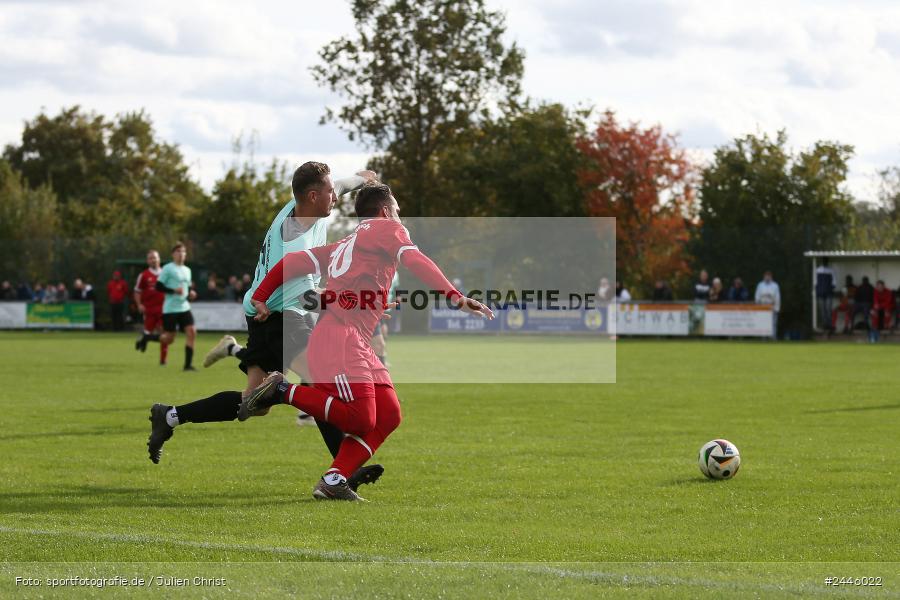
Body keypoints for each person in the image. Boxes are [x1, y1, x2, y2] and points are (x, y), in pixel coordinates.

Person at [240, 182, 494, 501]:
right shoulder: (387, 229)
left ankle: (334, 479)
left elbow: (294, 264)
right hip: (340, 338)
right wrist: (456, 297)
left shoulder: (350, 242)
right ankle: (282, 390)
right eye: (398, 211)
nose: (400, 218)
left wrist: (261, 296)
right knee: (361, 419)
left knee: (389, 414)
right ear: (386, 211)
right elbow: (416, 261)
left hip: (352, 337)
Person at [146, 163, 383, 493]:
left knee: (254, 404)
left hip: (268, 314)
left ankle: (170, 415)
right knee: (323, 387)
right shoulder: (295, 246)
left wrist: (364, 179)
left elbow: (339, 186)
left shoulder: (300, 207)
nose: (335, 197)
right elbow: (310, 296)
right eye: (328, 193)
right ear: (313, 196)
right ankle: (341, 474)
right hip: (283, 316)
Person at [155, 242, 197, 370]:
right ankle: (147, 337)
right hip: (170, 308)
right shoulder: (168, 268)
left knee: (192, 332)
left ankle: (187, 365)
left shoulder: (187, 270)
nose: (181, 254)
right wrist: (173, 290)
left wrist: (190, 294)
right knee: (169, 339)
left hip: (184, 307)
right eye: (178, 251)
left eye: (183, 252)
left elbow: (187, 288)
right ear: (173, 254)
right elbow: (158, 286)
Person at [134, 250, 169, 365]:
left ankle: (163, 360)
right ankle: (143, 340)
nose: (153, 260)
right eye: (150, 258)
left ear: (159, 259)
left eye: (155, 257)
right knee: (147, 332)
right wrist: (139, 304)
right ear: (147, 261)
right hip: (149, 309)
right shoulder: (143, 275)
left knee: (164, 333)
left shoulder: (166, 273)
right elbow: (137, 291)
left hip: (164, 309)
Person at [754, 271, 781, 337]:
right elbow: (757, 296)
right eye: (766, 276)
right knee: (763, 324)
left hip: (772, 308)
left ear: (771, 277)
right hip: (762, 308)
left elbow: (777, 297)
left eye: (769, 276)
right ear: (764, 276)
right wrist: (758, 306)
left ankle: (773, 337)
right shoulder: (760, 285)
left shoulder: (775, 285)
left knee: (773, 323)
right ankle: (763, 337)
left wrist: (776, 307)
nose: (767, 277)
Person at [815, 258, 835, 330]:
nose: (825, 262)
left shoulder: (831, 271)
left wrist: (830, 289)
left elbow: (834, 282)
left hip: (828, 293)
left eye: (826, 261)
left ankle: (829, 324)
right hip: (820, 293)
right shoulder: (817, 270)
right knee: (822, 310)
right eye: (824, 261)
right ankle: (825, 324)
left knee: (828, 309)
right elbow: (815, 282)